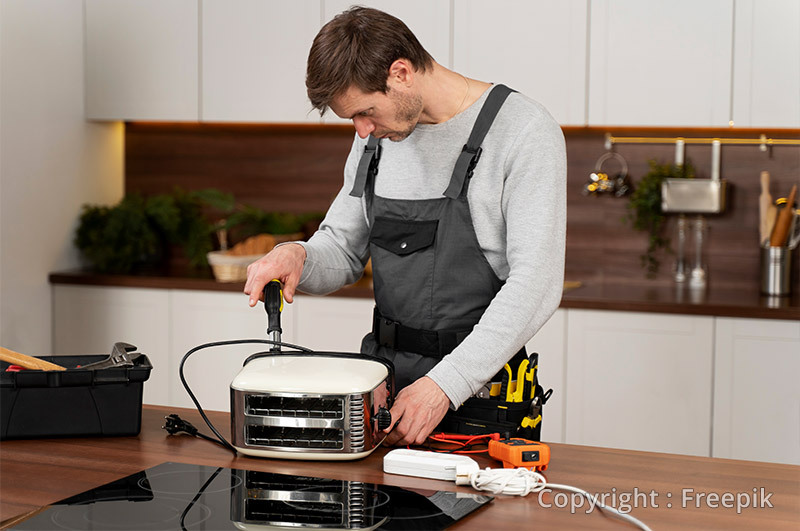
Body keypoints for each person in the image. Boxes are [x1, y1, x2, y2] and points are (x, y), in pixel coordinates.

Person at [244, 6, 566, 446]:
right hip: (383, 388)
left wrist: (444, 385)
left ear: (400, 73)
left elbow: (536, 284)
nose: (361, 130)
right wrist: (298, 254)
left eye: (365, 112)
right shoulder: (376, 138)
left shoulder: (523, 131)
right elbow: (342, 247)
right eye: (352, 119)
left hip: (479, 399)